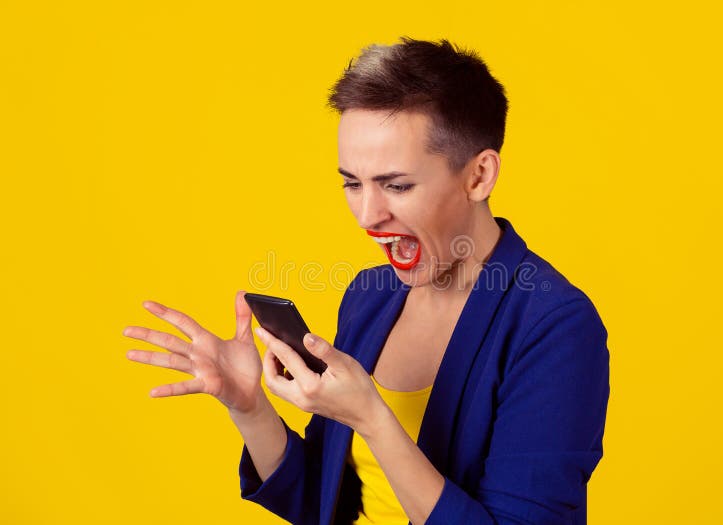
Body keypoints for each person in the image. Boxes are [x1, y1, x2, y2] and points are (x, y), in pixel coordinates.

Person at [124, 38, 610, 525]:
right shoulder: (370, 296)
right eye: (352, 184)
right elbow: (325, 505)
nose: (367, 215)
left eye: (397, 185)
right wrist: (250, 408)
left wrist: (374, 420)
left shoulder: (556, 327)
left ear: (479, 176)